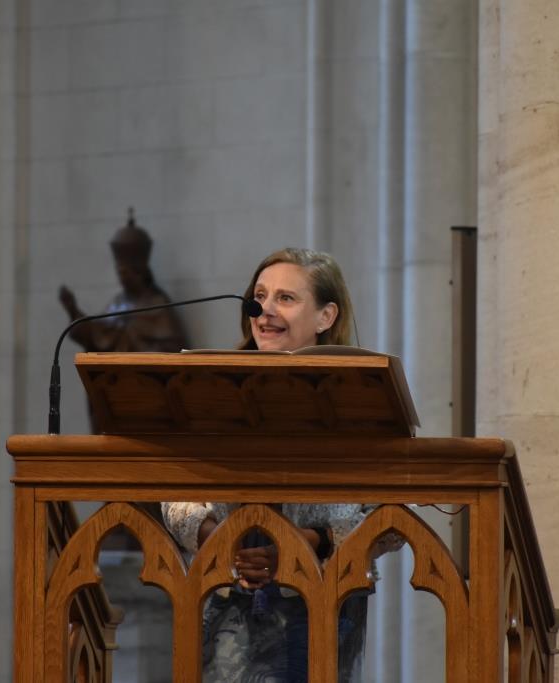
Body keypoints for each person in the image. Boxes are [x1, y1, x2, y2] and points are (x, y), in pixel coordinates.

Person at [162, 248, 399, 683]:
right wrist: (219, 537)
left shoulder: (364, 395)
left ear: (326, 316)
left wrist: (313, 540)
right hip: (224, 593)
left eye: (285, 298)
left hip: (323, 600)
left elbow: (396, 515)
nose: (264, 310)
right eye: (259, 296)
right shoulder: (209, 388)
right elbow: (175, 488)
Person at [58, 209, 188, 357]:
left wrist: (141, 353)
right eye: (118, 272)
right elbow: (98, 335)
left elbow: (174, 349)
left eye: (124, 272)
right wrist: (73, 310)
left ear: (139, 272)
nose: (121, 278)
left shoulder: (158, 302)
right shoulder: (117, 302)